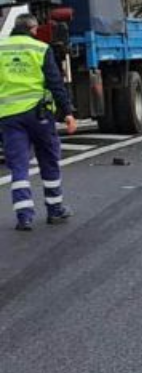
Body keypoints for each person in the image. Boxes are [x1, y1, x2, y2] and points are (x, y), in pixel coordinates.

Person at [0, 14, 76, 230]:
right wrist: (68, 112)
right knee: (48, 159)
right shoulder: (40, 48)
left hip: (9, 117)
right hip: (38, 115)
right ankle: (55, 209)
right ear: (33, 29)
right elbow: (55, 83)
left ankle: (24, 216)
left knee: (18, 166)